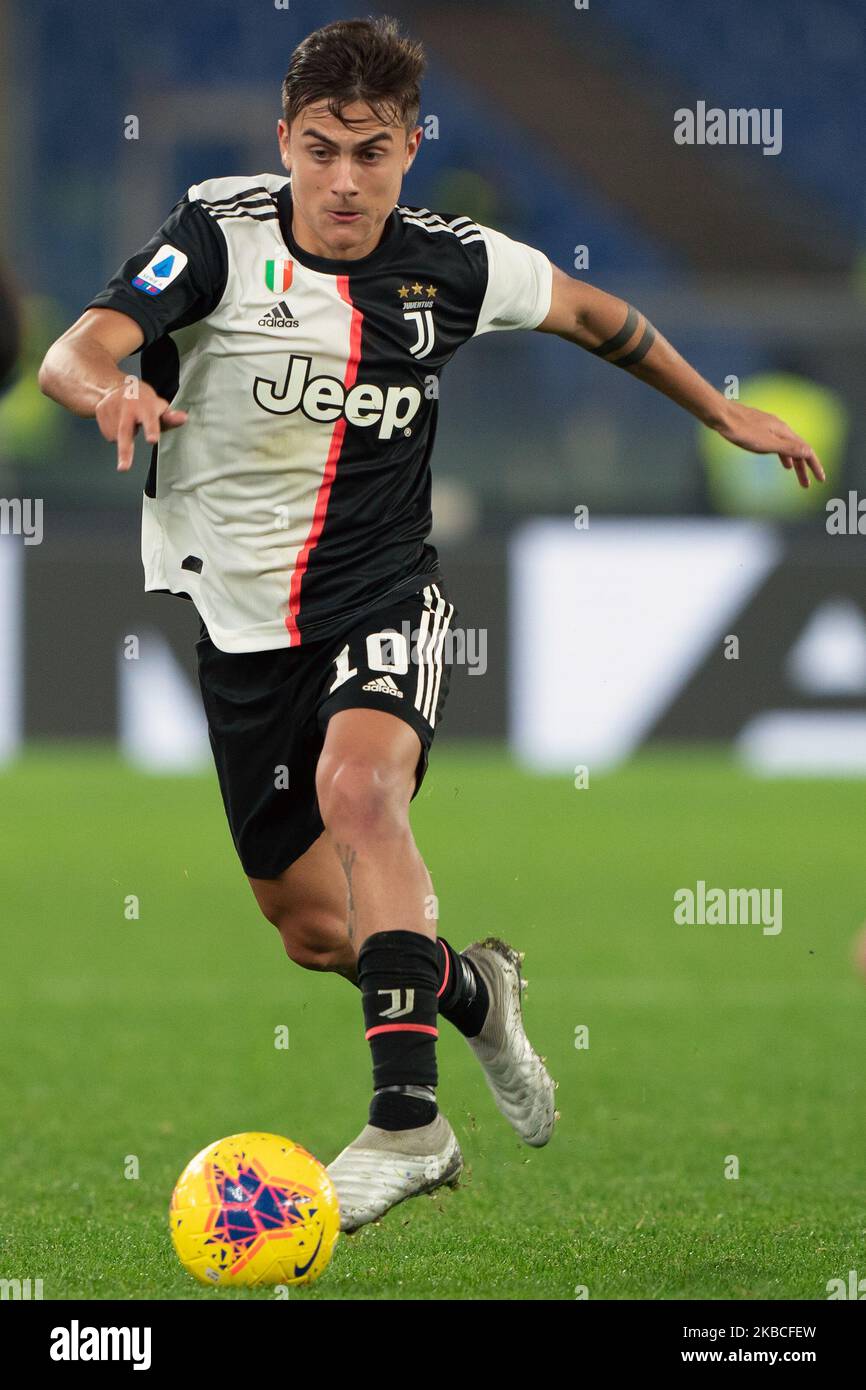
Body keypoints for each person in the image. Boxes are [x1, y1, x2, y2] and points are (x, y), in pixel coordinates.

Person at [37, 16, 823, 1233]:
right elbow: (73, 351)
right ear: (281, 142)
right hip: (238, 618)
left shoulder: (452, 262)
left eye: (371, 152)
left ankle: (406, 1124)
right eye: (319, 150)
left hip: (383, 593)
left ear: (411, 146)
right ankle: (474, 989)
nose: (343, 180)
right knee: (311, 928)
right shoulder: (215, 238)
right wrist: (114, 386)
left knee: (364, 795)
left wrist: (716, 411)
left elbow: (594, 315)